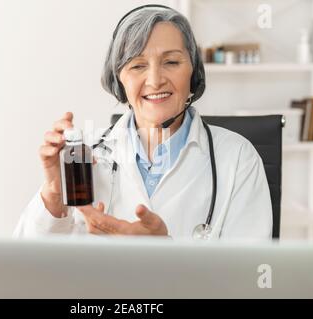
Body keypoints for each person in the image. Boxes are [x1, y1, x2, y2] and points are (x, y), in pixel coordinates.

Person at [13, 5, 272, 239]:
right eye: (137, 66)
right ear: (119, 81)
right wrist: (55, 196)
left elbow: (251, 280)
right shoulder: (81, 157)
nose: (155, 80)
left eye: (171, 62)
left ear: (193, 73)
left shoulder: (238, 158)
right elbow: (27, 272)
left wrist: (164, 254)